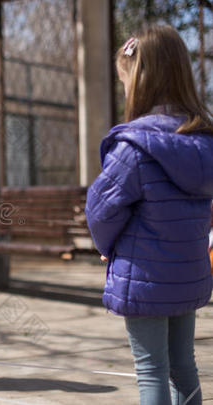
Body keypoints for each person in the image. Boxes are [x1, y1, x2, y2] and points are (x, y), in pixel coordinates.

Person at [85, 25, 213, 405]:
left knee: (151, 369)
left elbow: (100, 209)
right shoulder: (203, 143)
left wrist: (106, 245)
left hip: (144, 278)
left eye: (125, 82)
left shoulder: (135, 148)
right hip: (187, 276)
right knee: (183, 364)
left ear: (141, 83)